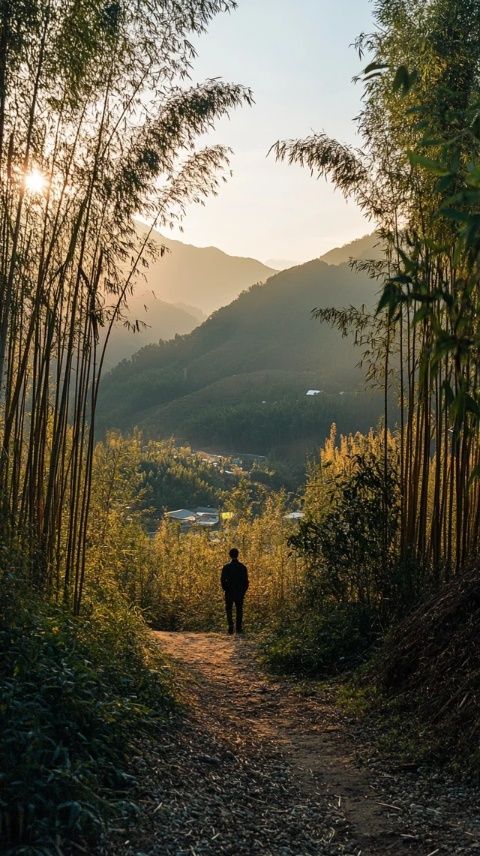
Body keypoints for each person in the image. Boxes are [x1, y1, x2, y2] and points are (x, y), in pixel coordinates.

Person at [221, 547, 249, 635]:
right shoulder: (242, 567)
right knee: (239, 609)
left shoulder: (226, 567)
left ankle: (230, 627)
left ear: (229, 555)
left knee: (229, 609)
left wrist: (225, 589)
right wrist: (243, 591)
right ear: (238, 555)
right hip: (239, 592)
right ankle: (238, 628)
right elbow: (246, 581)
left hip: (229, 592)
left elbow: (222, 580)